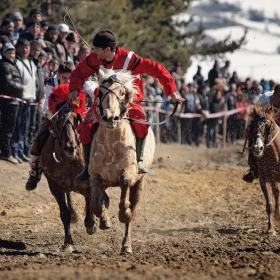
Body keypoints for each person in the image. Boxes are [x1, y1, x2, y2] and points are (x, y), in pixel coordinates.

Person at [69, 29, 184, 180]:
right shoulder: (94, 58)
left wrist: (172, 92)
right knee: (84, 129)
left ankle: (139, 161)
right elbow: (78, 73)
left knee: (142, 124)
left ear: (107, 50)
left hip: (129, 104)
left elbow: (158, 70)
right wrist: (74, 90)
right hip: (102, 105)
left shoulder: (130, 59)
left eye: (96, 49)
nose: (93, 51)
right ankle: (87, 167)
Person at [25, 61, 76, 191]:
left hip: (74, 115)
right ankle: (35, 172)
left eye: (70, 77)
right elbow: (49, 104)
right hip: (55, 114)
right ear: (58, 75)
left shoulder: (77, 82)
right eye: (65, 78)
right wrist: (54, 114)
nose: (68, 81)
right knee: (40, 137)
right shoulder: (50, 83)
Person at [242, 85, 280, 183]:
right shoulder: (264, 99)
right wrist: (248, 128)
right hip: (265, 123)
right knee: (253, 136)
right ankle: (253, 169)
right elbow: (253, 114)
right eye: (279, 96)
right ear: (274, 94)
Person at [0, 43, 26, 164]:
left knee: (10, 128)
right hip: (8, 102)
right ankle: (6, 153)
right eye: (9, 52)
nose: (11, 55)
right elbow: (8, 83)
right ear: (4, 54)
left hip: (13, 101)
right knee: (8, 129)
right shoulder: (5, 65)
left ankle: (7, 152)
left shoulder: (11, 64)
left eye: (13, 53)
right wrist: (21, 87)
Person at [11, 39, 37, 162]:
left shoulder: (32, 62)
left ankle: (21, 151)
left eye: (27, 47)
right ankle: (15, 151)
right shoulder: (16, 62)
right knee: (17, 127)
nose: (24, 49)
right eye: (22, 47)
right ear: (18, 48)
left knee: (25, 128)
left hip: (30, 100)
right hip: (21, 98)